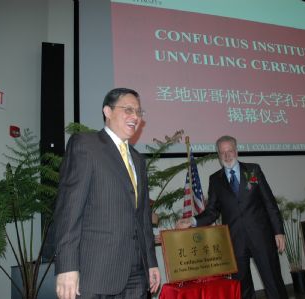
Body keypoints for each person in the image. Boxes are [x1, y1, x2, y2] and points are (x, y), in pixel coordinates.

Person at [53, 88, 160, 299]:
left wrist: (151, 262)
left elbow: (143, 218)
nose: (135, 117)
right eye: (128, 109)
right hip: (96, 272)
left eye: (139, 112)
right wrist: (66, 266)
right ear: (107, 111)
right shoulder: (86, 145)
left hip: (136, 273)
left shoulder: (138, 160)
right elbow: (69, 210)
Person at [177, 135, 288, 299]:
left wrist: (279, 232)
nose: (227, 155)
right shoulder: (215, 180)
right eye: (223, 153)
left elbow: (269, 203)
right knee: (242, 288)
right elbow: (212, 211)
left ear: (236, 151)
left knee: (273, 283)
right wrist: (192, 221)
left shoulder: (252, 171)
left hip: (261, 237)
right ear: (218, 155)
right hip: (235, 241)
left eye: (230, 151)